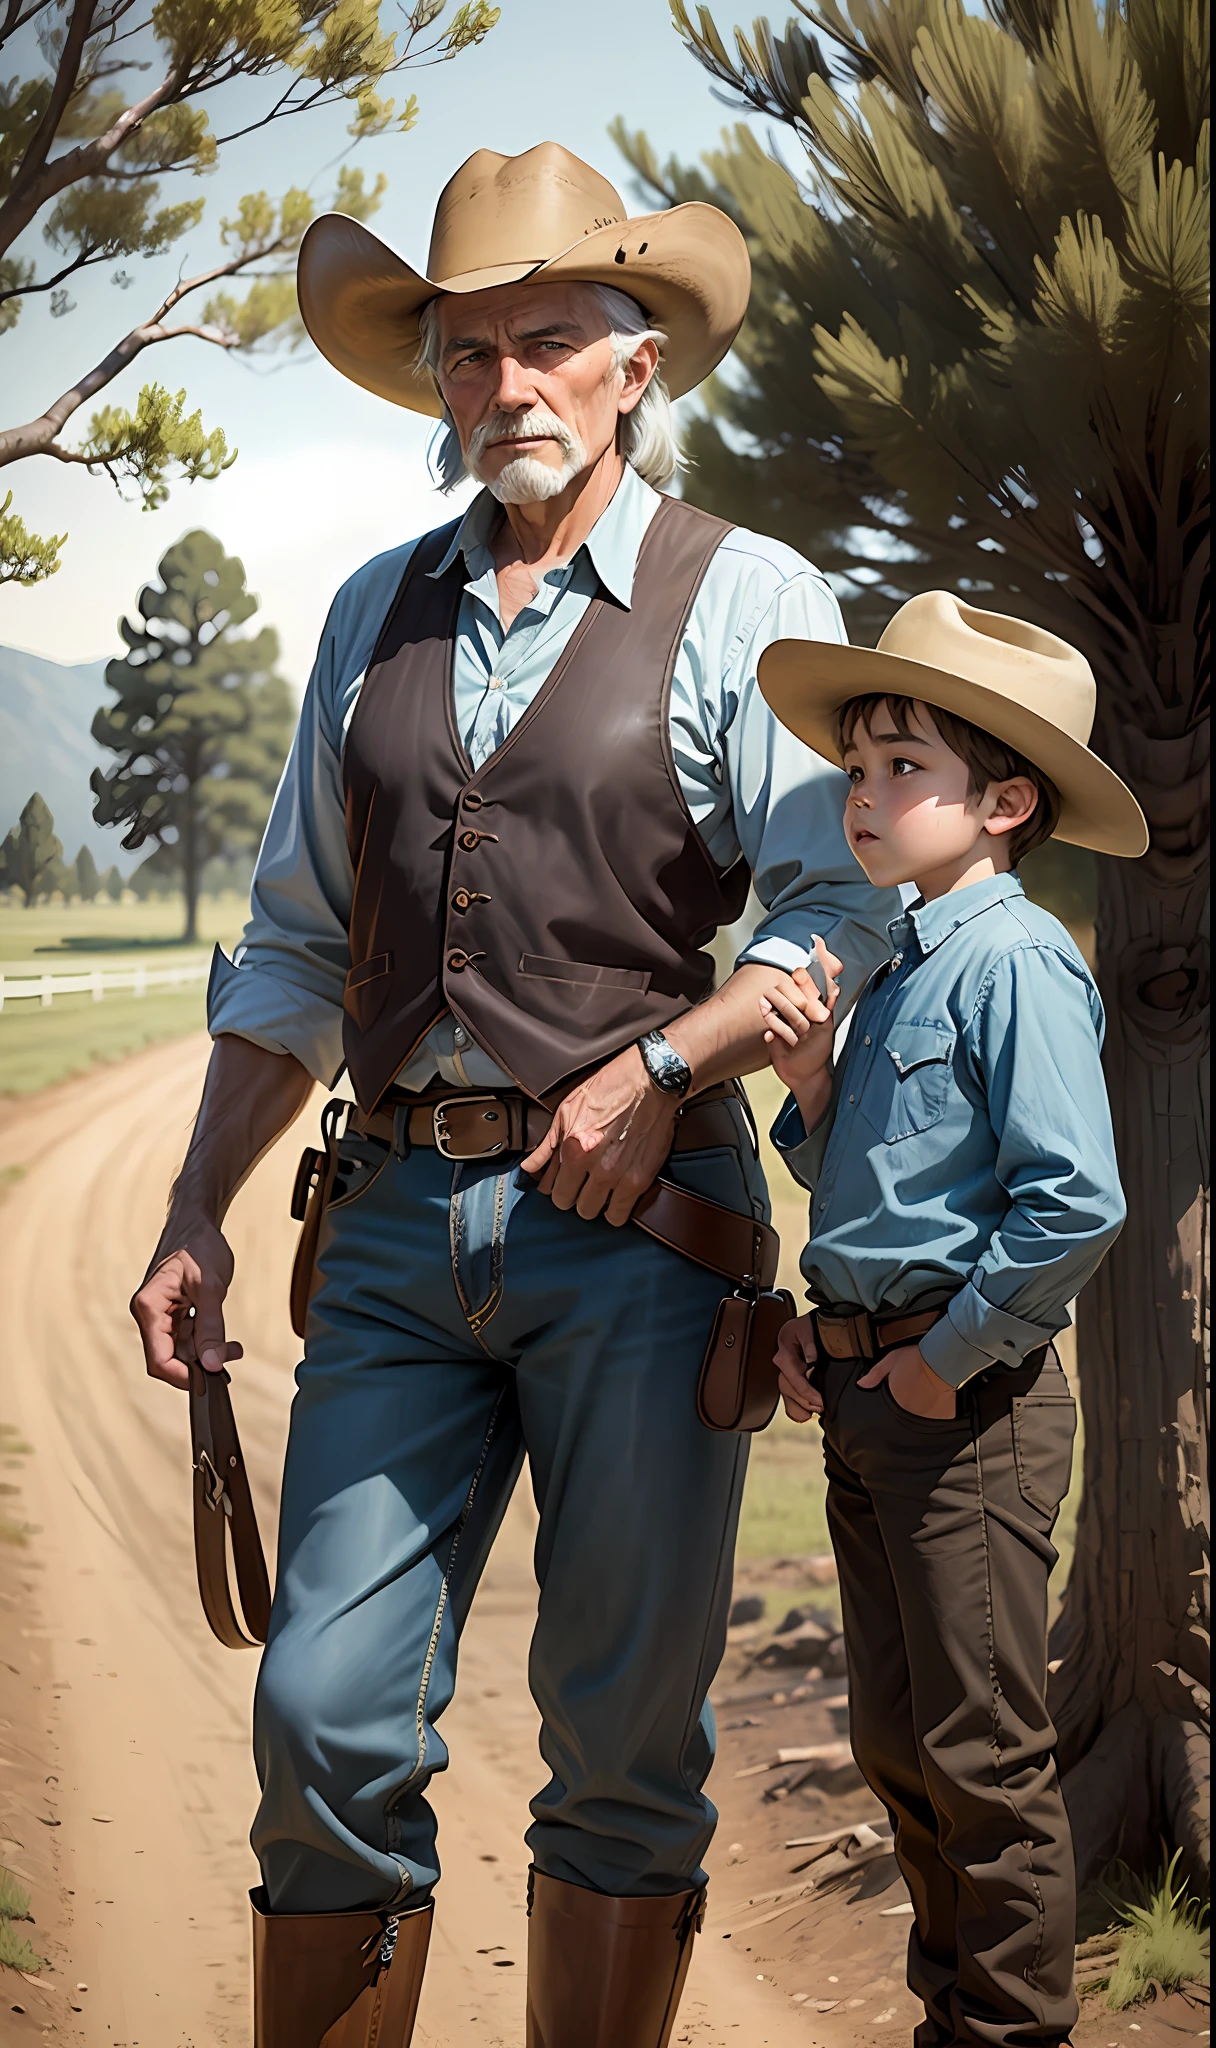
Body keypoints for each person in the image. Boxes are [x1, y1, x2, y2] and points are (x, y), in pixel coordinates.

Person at [128, 142, 900, 2048]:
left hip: (647, 1246)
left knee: (625, 1744)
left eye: (552, 343)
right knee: (318, 1715)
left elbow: (837, 913)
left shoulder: (745, 597)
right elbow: (297, 944)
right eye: (472, 357)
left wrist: (665, 1061)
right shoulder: (368, 616)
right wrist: (191, 1208)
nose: (509, 390)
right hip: (387, 1231)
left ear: (638, 364)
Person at [751, 591, 1147, 2048]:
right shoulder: (908, 958)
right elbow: (882, 1191)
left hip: (963, 1412)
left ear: (1004, 802)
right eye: (857, 771)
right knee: (895, 1743)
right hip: (875, 1397)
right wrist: (810, 1108)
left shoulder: (1018, 959)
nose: (864, 797)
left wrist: (941, 1361)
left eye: (902, 769)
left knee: (981, 1753)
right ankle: (954, 2018)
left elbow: (1074, 1201)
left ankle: (1009, 2032)